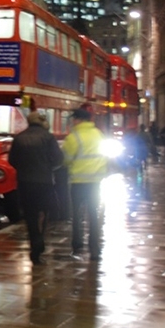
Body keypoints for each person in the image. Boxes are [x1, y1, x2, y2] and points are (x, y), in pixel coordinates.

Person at [8, 111, 64, 266]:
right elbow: (58, 159)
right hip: (44, 182)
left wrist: (23, 169)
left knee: (30, 215)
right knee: (44, 212)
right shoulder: (48, 137)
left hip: (25, 182)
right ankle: (40, 240)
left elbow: (12, 160)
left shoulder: (19, 138)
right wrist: (49, 169)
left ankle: (35, 242)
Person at [62, 108, 108, 261]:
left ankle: (77, 245)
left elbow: (66, 159)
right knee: (93, 214)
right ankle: (94, 248)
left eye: (74, 119)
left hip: (78, 182)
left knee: (76, 214)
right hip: (95, 181)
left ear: (78, 120)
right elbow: (105, 156)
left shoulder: (73, 137)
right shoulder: (99, 134)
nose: (73, 122)